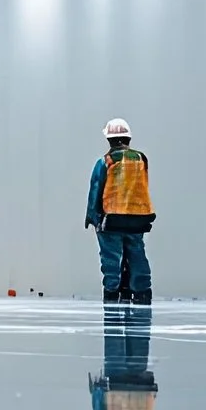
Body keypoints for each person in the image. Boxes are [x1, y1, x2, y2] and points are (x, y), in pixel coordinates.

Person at [86, 118, 155, 304]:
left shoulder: (106, 161)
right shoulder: (141, 159)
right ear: (128, 138)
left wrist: (92, 217)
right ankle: (142, 292)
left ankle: (112, 293)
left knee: (111, 260)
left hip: (112, 219)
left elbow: (96, 189)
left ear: (109, 140)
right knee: (137, 255)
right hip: (138, 219)